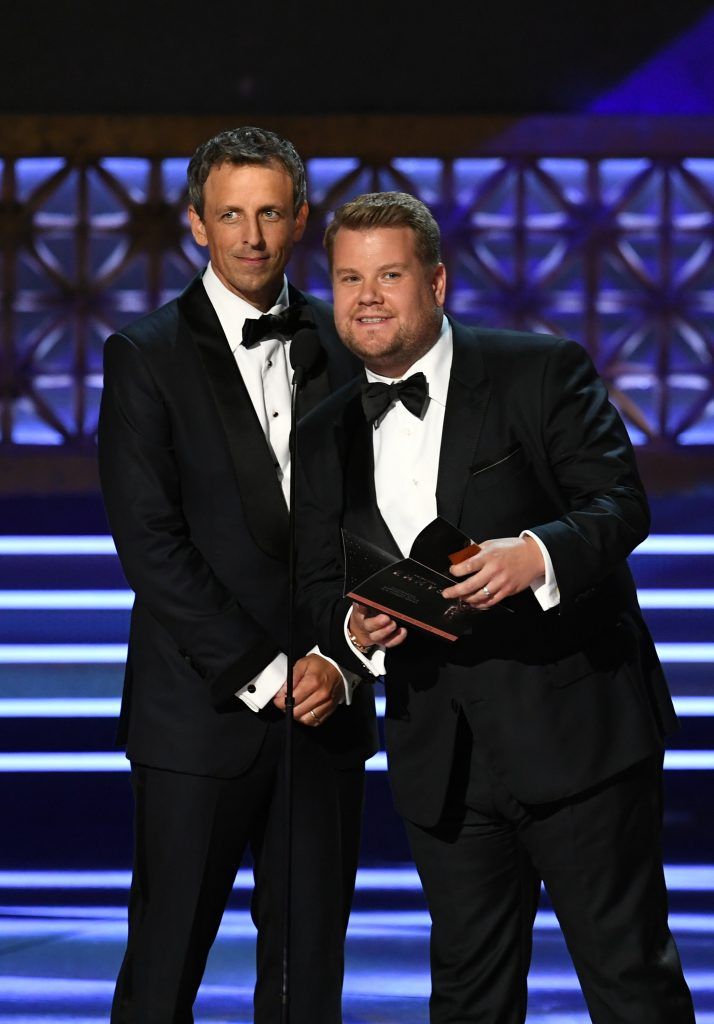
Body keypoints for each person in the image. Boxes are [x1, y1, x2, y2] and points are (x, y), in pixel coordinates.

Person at [296, 191, 695, 1023]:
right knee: (470, 1001)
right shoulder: (324, 430)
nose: (367, 296)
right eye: (348, 278)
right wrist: (356, 631)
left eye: (390, 274)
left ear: (436, 283)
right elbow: (323, 582)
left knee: (630, 985)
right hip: (440, 752)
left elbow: (620, 505)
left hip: (576, 733)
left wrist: (534, 555)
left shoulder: (536, 370)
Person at [97, 127, 377, 1024]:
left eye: (268, 214)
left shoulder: (344, 348)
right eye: (230, 215)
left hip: (325, 713)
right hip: (200, 717)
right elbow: (151, 545)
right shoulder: (144, 356)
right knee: (163, 973)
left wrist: (337, 664)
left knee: (307, 986)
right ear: (195, 225)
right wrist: (265, 673)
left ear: (299, 220)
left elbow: (375, 525)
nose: (250, 236)